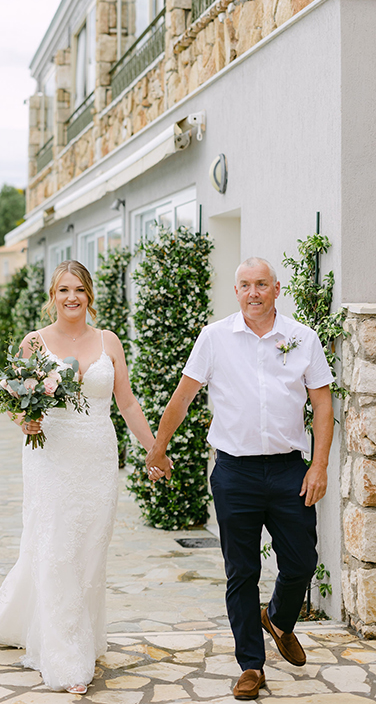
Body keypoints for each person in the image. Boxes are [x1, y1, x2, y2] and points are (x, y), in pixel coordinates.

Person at [0, 260, 165, 693]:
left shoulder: (110, 342)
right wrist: (22, 421)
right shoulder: (34, 343)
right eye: (64, 290)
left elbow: (126, 404)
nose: (72, 297)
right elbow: (11, 399)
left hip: (98, 457)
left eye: (79, 290)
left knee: (90, 549)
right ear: (53, 296)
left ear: (89, 296)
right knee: (57, 547)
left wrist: (152, 448)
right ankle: (65, 657)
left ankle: (84, 634)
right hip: (51, 458)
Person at [146, 257, 334, 701]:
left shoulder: (302, 338)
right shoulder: (214, 337)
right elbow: (184, 396)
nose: (254, 293)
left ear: (276, 289)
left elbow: (323, 405)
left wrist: (319, 464)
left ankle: (280, 619)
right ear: (236, 292)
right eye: (246, 285)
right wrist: (159, 445)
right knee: (241, 573)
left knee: (301, 563)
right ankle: (251, 665)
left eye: (262, 285)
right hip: (235, 472)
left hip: (290, 469)